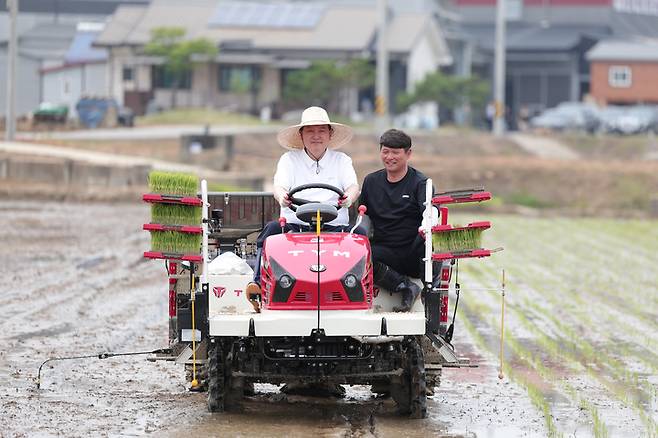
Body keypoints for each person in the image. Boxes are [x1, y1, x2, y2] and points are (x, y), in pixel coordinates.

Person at [246, 106, 360, 298]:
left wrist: (349, 198)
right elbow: (279, 186)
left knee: (361, 235)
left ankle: (358, 290)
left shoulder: (342, 160)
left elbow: (353, 187)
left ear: (330, 134)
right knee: (270, 231)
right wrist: (282, 196)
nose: (316, 136)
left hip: (334, 227)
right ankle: (257, 283)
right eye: (310, 131)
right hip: (294, 226)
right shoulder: (289, 160)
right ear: (301, 135)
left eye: (321, 130)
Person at [359, 128, 439, 312]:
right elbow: (363, 217)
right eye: (385, 151)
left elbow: (431, 210)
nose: (389, 157)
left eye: (395, 152)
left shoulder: (421, 183)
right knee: (360, 254)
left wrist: (428, 223)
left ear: (408, 153)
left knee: (428, 241)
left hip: (412, 251)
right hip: (385, 251)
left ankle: (430, 292)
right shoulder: (371, 182)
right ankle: (406, 287)